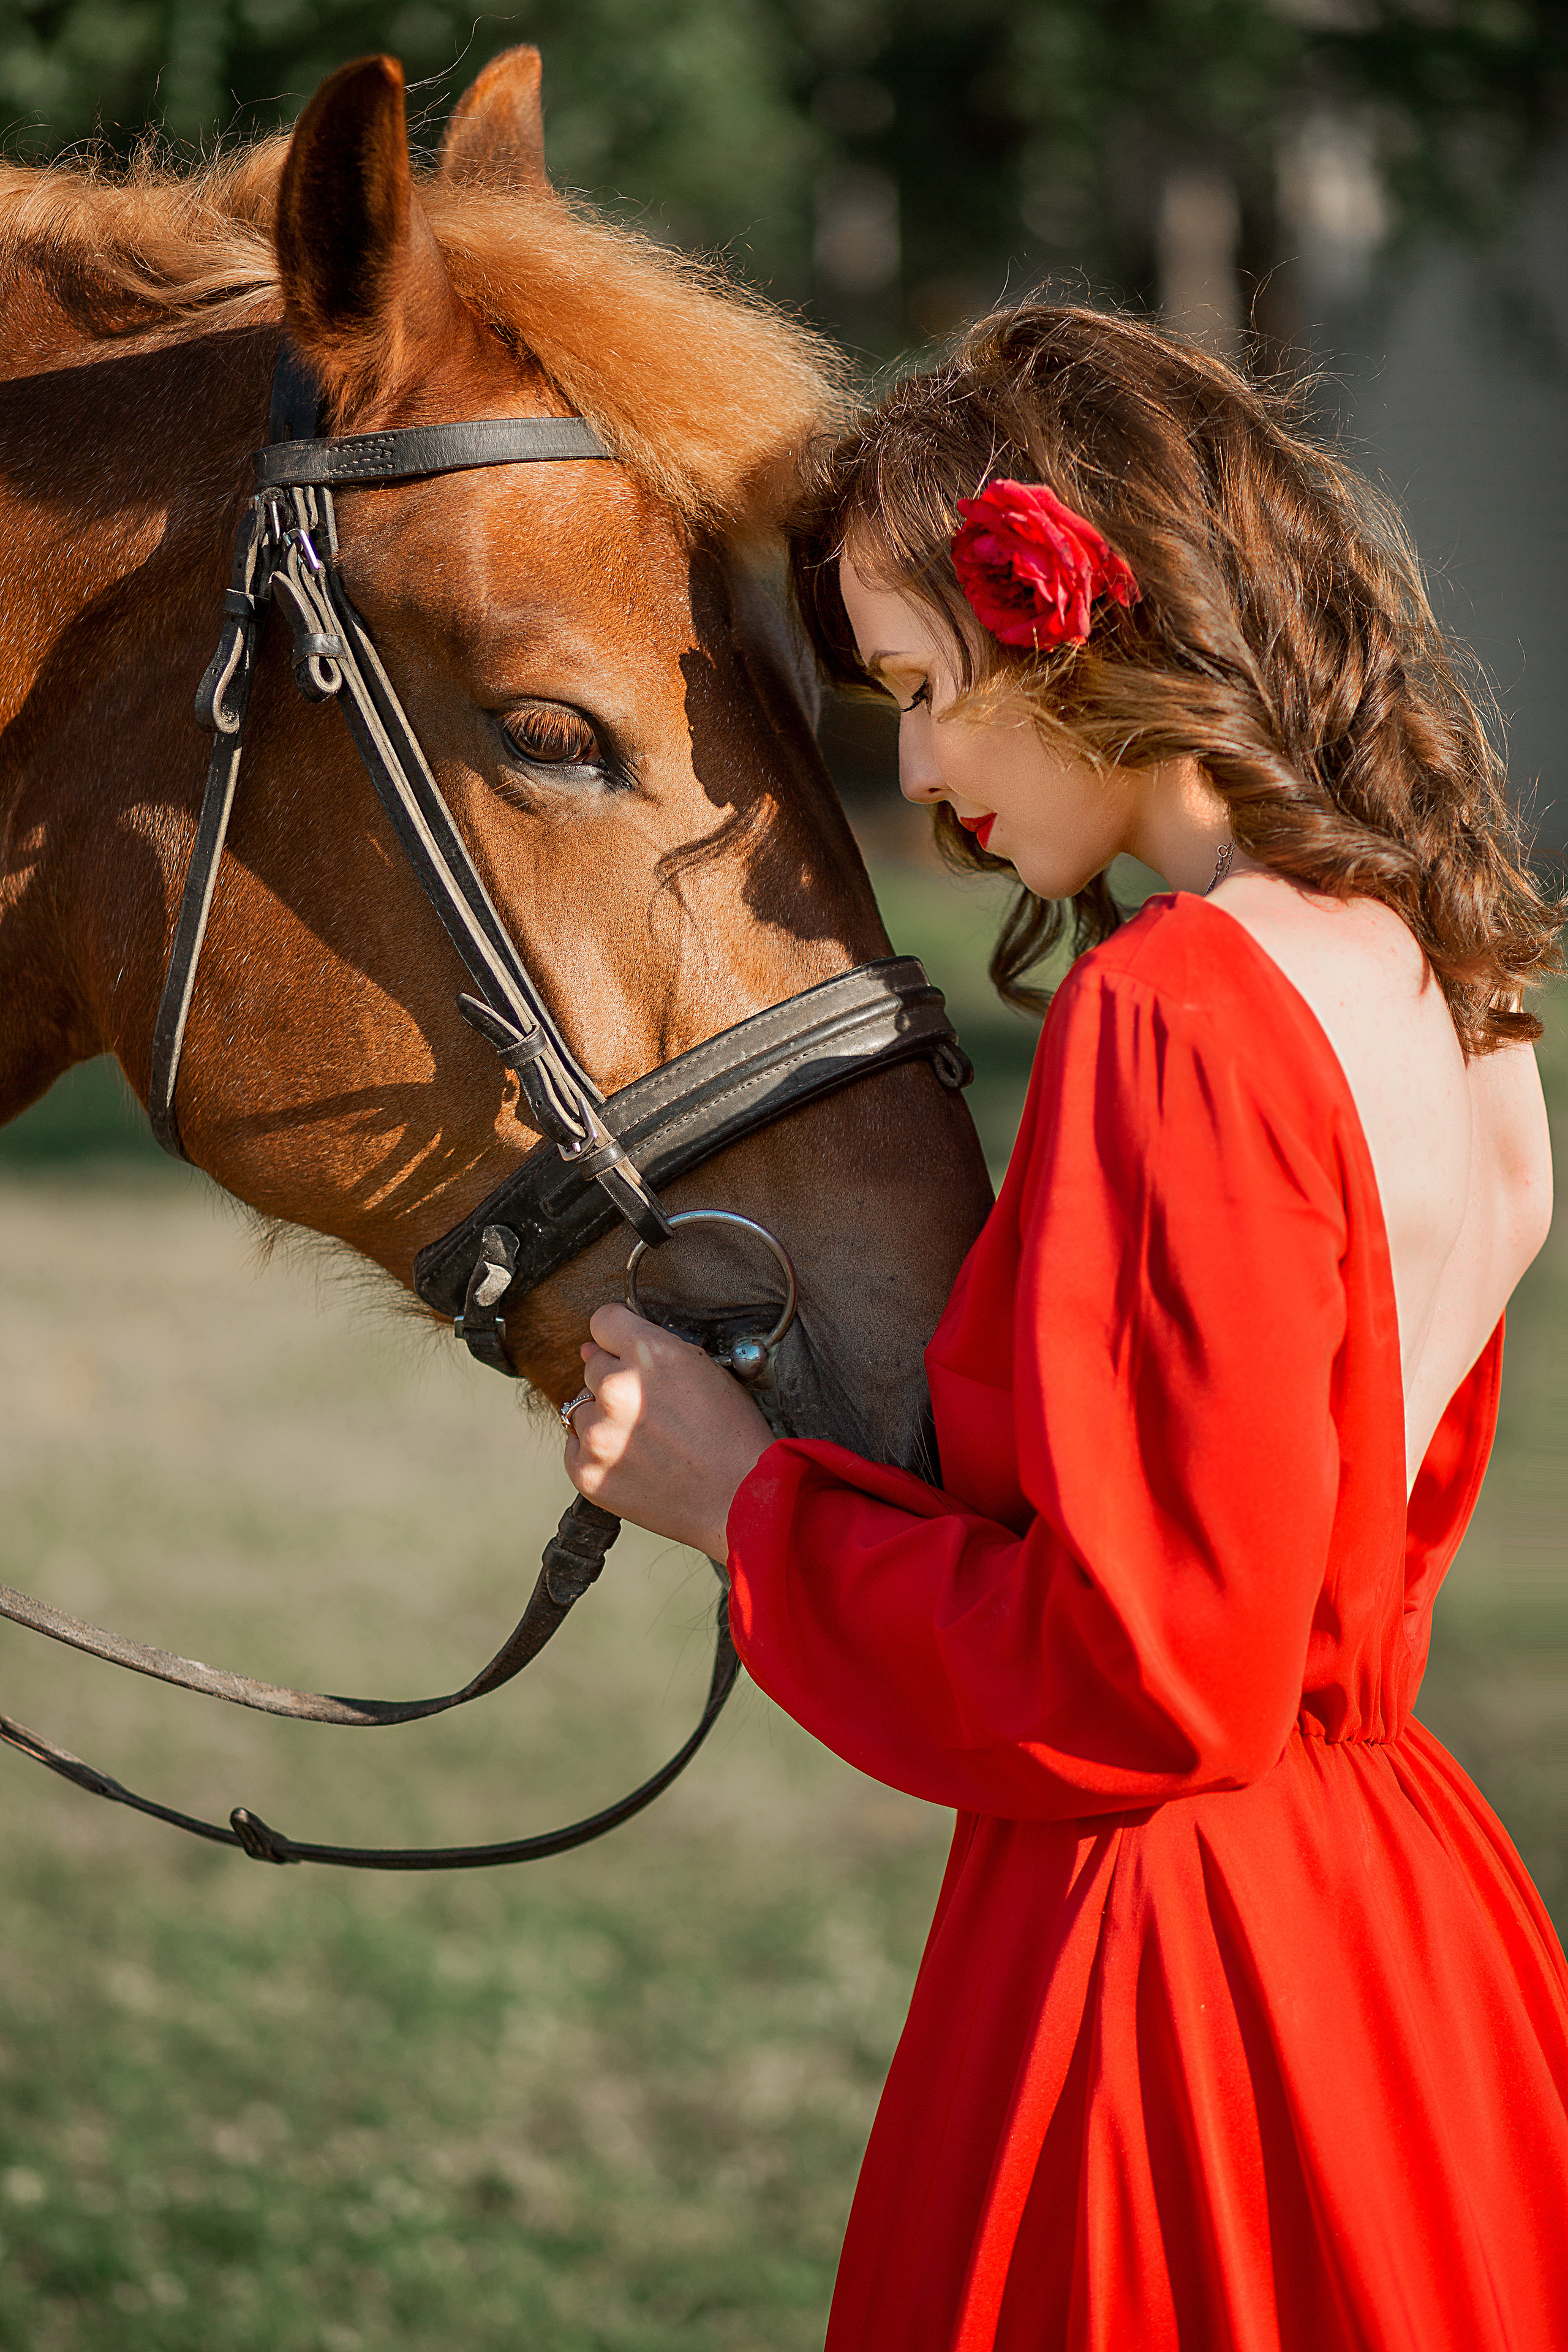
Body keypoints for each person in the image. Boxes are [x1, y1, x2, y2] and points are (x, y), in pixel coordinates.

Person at [560, 303, 1568, 2350]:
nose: (923, 775)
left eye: (931, 686)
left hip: (1173, 1977)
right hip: (1404, 1926)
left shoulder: (1177, 1015)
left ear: (1085, 619)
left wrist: (742, 1504)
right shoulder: (1446, 975)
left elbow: (1142, 1680)